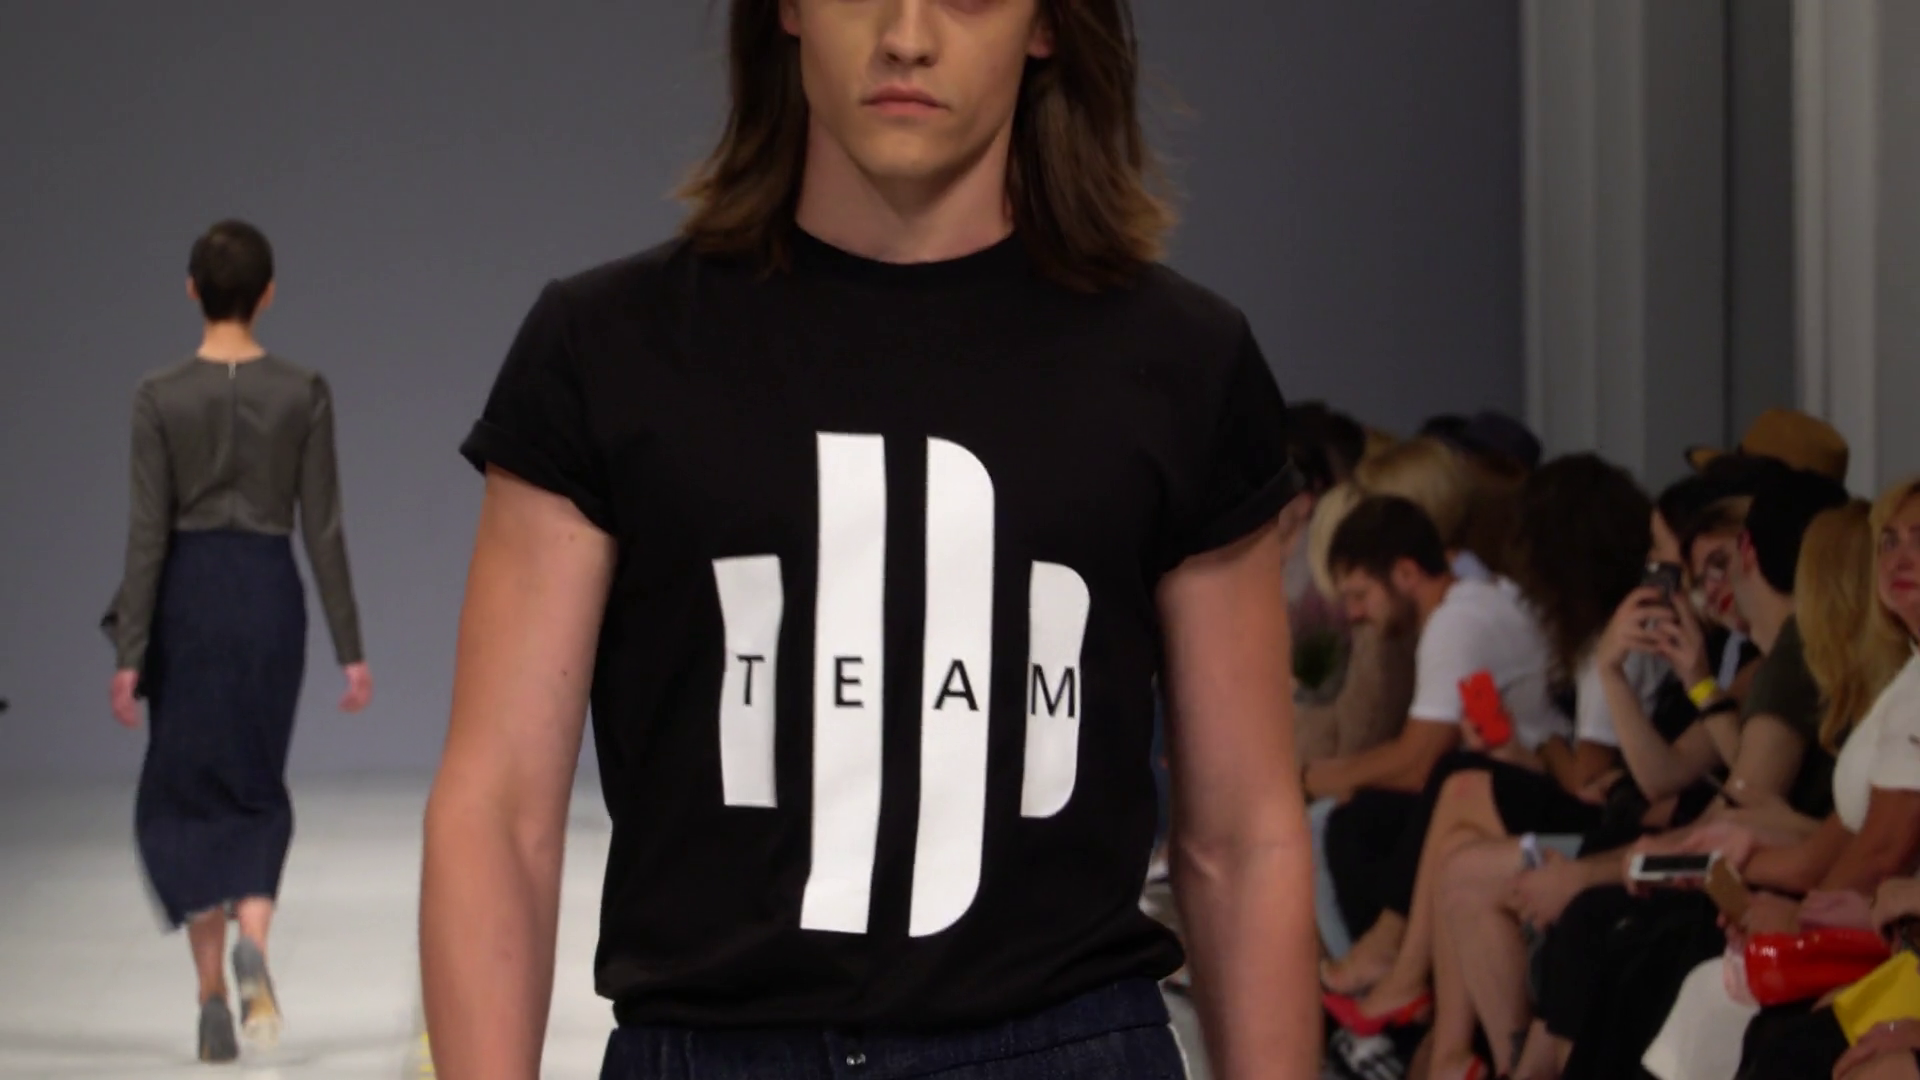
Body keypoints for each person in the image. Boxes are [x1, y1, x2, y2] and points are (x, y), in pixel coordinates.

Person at [420, 3, 1318, 1078]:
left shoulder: (1181, 362)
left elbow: (1243, 837)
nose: (907, 34)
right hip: (712, 1048)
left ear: (1045, 24)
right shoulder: (608, 349)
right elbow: (500, 808)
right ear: (789, 8)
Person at [103, 219, 373, 1063]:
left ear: (192, 289)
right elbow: (322, 528)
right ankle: (255, 941)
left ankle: (211, 996)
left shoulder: (159, 396)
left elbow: (147, 534)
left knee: (186, 795)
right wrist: (351, 648)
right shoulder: (302, 391)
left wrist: (130, 653)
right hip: (266, 593)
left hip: (187, 596)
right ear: (267, 294)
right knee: (256, 785)